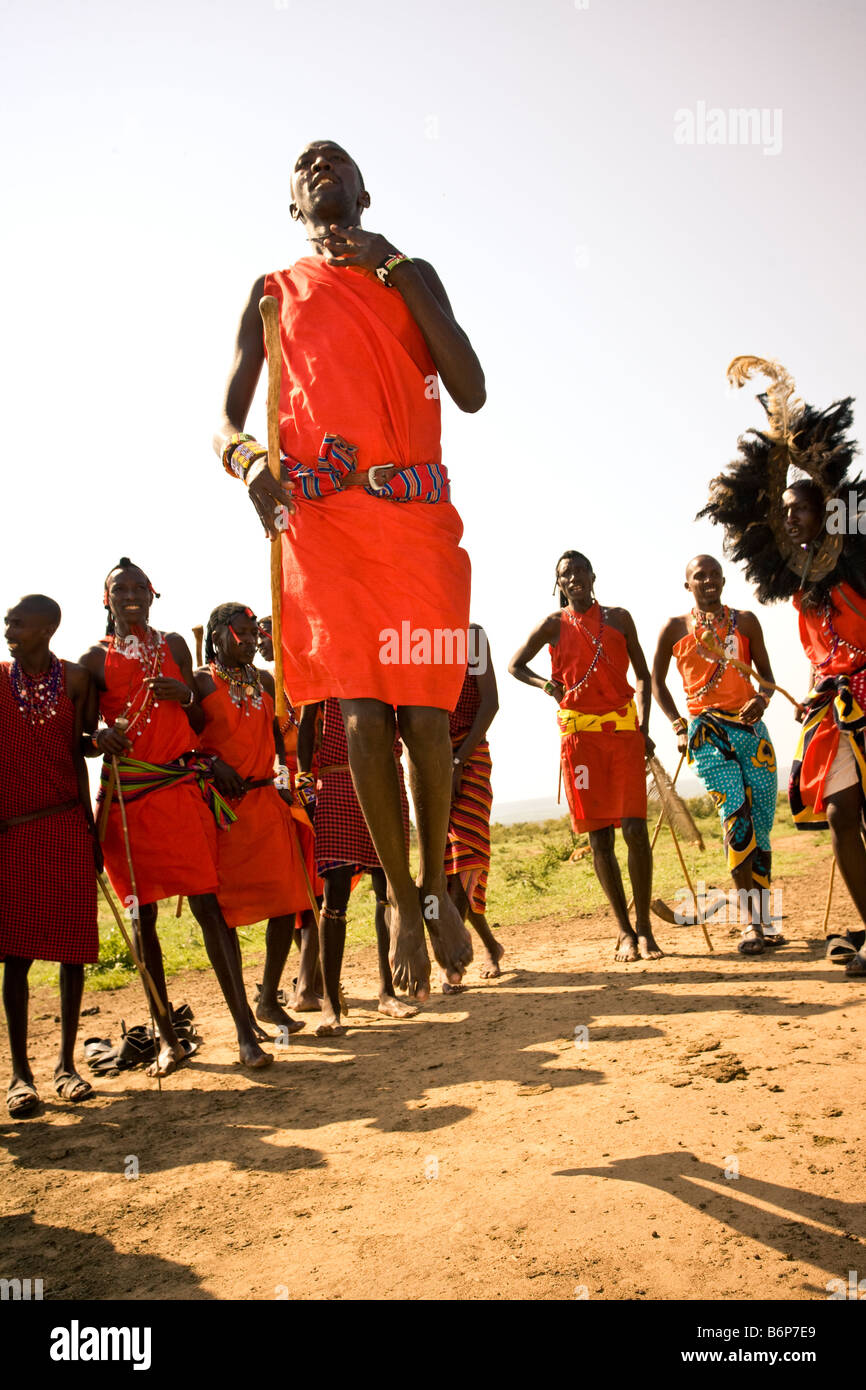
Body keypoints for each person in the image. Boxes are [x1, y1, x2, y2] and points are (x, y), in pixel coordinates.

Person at [214, 139, 486, 1000]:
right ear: (297, 204)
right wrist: (250, 461)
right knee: (364, 715)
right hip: (324, 523)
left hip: (411, 520)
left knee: (427, 722)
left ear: (366, 191)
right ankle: (405, 901)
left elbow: (471, 388)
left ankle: (439, 886)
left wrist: (399, 270)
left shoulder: (411, 272)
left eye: (336, 161)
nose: (319, 167)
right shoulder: (272, 295)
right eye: (304, 167)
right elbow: (222, 418)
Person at [700, 355, 866, 976]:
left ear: (828, 510)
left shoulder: (856, 556)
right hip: (832, 705)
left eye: (802, 509)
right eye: (788, 512)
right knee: (838, 812)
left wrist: (791, 425)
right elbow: (756, 519)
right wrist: (770, 446)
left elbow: (838, 487)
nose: (790, 519)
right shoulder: (796, 578)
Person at [80, 559, 272, 1073]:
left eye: (140, 587)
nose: (132, 595)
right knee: (144, 921)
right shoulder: (92, 662)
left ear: (153, 593)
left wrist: (185, 695)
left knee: (210, 908)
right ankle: (168, 1039)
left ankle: (243, 1033)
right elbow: (80, 740)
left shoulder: (175, 646)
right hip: (131, 799)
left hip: (182, 789)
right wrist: (99, 738)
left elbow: (195, 717)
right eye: (121, 589)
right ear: (107, 600)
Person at [509, 551, 662, 963]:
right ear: (558, 584)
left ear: (593, 576)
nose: (573, 577)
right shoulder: (553, 625)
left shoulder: (619, 618)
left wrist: (644, 728)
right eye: (565, 574)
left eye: (579, 570)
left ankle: (645, 929)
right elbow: (515, 665)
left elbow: (644, 676)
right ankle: (624, 932)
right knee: (601, 837)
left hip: (624, 733)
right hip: (580, 741)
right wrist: (546, 686)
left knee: (634, 829)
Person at [194, 603, 318, 1036]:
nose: (249, 641)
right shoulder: (199, 684)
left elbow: (273, 741)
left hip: (267, 802)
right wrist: (209, 762)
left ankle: (268, 998)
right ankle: (243, 1016)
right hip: (224, 814)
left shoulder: (266, 681)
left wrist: (288, 784)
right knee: (225, 915)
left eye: (252, 634)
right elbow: (183, 746)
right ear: (217, 636)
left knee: (289, 902)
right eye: (240, 633)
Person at [652, 556, 783, 954]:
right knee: (736, 816)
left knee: (760, 825)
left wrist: (761, 700)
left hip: (752, 733)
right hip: (707, 734)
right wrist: (678, 724)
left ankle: (765, 921)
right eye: (699, 576)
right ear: (686, 584)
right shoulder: (674, 629)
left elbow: (768, 679)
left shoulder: (746, 622)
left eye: (713, 575)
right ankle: (750, 925)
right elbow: (656, 681)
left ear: (723, 580)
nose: (707, 581)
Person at [1, 596, 99, 1116]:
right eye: (8, 621)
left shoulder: (78, 680)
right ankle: (20, 1074)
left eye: (17, 622)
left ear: (47, 628)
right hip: (11, 833)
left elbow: (79, 750)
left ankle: (66, 1066)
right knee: (15, 958)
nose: (8, 629)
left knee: (71, 951)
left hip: (65, 823)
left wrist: (92, 828)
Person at [298, 697, 418, 1030]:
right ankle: (331, 1005)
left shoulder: (386, 660)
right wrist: (304, 782)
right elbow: (307, 722)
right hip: (337, 781)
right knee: (334, 891)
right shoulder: (324, 660)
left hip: (386, 779)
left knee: (387, 890)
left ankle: (387, 993)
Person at [445, 623, 504, 985]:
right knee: (442, 866)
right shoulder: (411, 638)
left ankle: (453, 959)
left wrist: (458, 762)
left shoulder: (472, 637)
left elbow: (490, 703)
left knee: (465, 855)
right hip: (427, 760)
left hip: (470, 753)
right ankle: (489, 945)